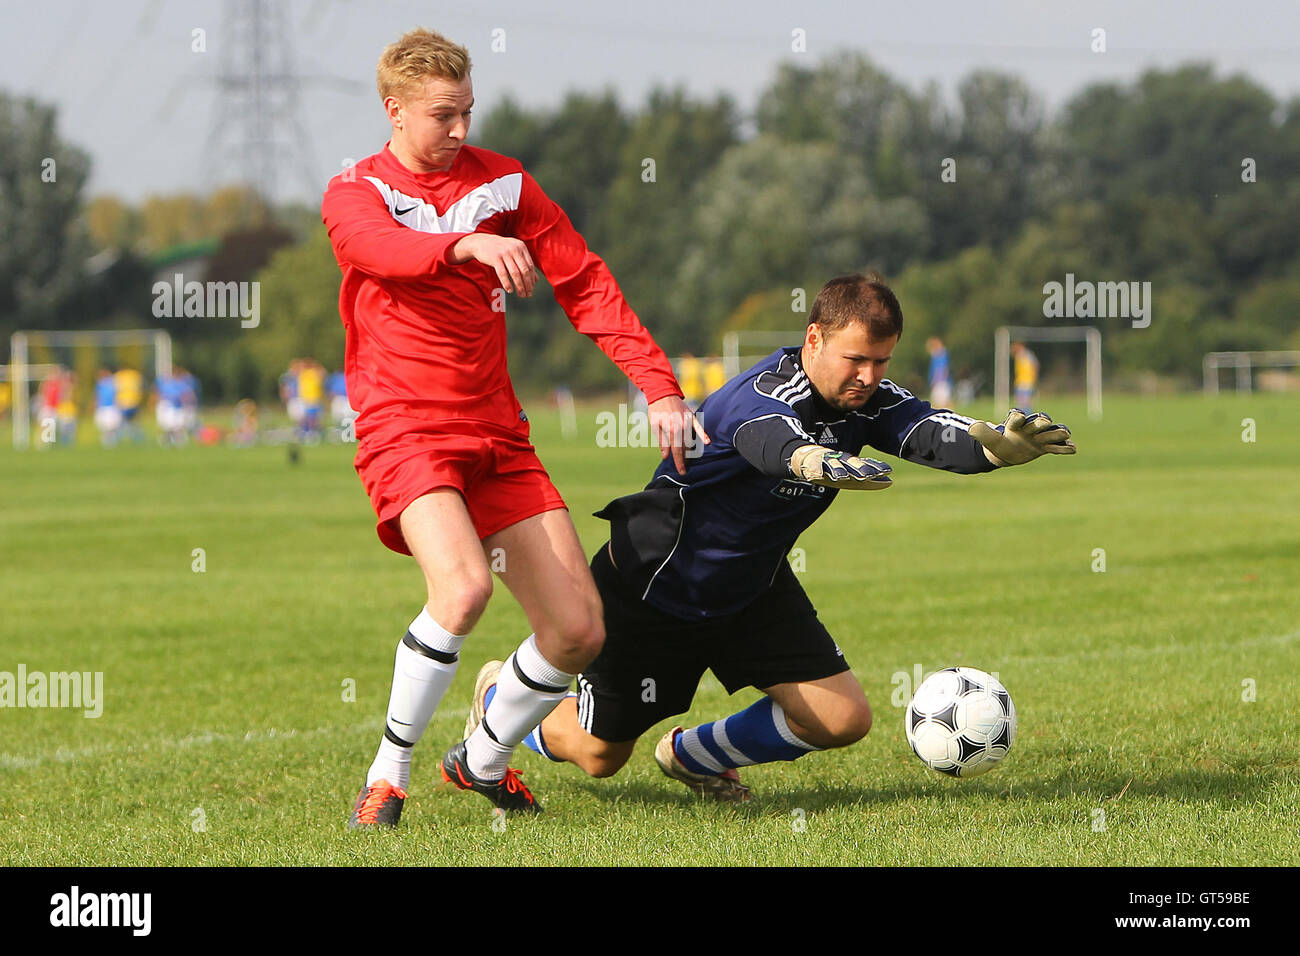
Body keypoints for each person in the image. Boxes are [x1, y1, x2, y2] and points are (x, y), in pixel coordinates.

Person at [464, 274, 1076, 801]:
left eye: (881, 361)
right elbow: (768, 437)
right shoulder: (760, 391)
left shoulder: (868, 399)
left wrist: (989, 447)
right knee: (600, 758)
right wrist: (810, 461)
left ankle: (691, 756)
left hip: (750, 585)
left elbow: (924, 428)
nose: (868, 376)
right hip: (657, 582)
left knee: (843, 719)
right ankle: (498, 697)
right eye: (855, 359)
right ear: (815, 339)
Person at [321, 27, 703, 827]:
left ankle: (483, 760)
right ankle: (386, 778)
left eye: (466, 112)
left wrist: (658, 387)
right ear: (393, 110)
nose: (460, 130)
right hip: (405, 428)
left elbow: (586, 280)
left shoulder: (506, 183)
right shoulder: (354, 190)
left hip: (497, 432)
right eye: (440, 116)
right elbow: (379, 249)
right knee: (460, 590)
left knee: (577, 630)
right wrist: (464, 242)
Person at [93, 368, 121, 446]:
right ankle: (106, 439)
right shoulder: (99, 384)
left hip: (111, 406)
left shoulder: (113, 382)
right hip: (102, 407)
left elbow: (117, 394)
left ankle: (111, 439)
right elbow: (97, 395)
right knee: (103, 425)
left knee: (112, 424)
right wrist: (95, 405)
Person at [1012, 341, 1039, 412]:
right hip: (1020, 382)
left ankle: (1027, 419)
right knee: (1020, 404)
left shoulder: (1028, 355)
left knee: (1026, 404)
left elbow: (1035, 367)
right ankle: (1023, 419)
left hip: (1027, 382)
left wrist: (1034, 379)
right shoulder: (1019, 356)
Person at [927, 336, 952, 409]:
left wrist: (935, 380)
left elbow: (943, 369)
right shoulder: (935, 355)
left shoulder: (941, 354)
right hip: (939, 382)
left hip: (940, 382)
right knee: (939, 402)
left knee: (942, 402)